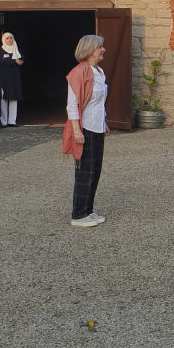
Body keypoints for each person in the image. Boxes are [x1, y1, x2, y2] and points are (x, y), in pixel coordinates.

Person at [63, 35, 109, 228]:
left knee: (95, 171)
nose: (103, 49)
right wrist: (77, 131)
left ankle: (88, 210)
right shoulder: (78, 72)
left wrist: (104, 122)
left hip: (97, 127)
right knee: (84, 173)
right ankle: (78, 214)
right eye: (100, 47)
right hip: (85, 129)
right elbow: (72, 105)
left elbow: (99, 102)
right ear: (90, 50)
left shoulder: (98, 71)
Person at [0, 31, 24, 127]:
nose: (9, 40)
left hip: (14, 77)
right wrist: (14, 60)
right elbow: (1, 61)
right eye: (7, 38)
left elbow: (21, 60)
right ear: (3, 40)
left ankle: (12, 121)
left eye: (11, 38)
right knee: (4, 99)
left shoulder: (16, 49)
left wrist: (10, 60)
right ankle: (3, 121)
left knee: (14, 98)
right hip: (3, 78)